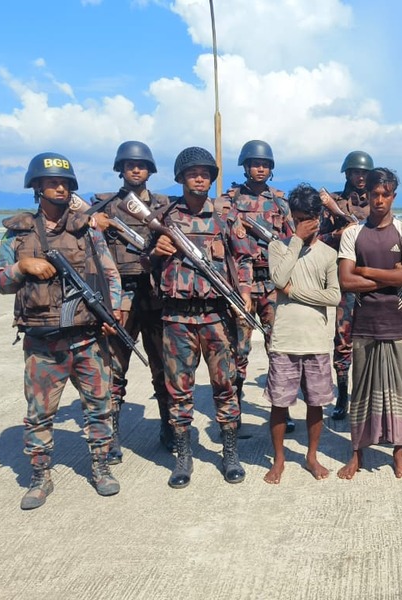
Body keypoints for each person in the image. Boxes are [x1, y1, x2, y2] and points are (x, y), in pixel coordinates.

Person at [0, 152, 122, 509]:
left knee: (99, 406)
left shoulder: (86, 228)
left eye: (65, 182)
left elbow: (110, 274)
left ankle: (101, 467)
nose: (60, 187)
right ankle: (40, 476)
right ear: (37, 187)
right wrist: (23, 266)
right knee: (39, 414)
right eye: (52, 182)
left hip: (87, 337)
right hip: (43, 342)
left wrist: (114, 313)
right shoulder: (17, 235)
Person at [151, 146, 252, 488]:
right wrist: (156, 250)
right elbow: (142, 261)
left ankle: (230, 453)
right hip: (176, 320)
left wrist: (247, 294)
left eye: (206, 174)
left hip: (215, 317)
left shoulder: (225, 216)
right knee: (178, 392)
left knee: (226, 386)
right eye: (193, 173)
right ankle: (183, 457)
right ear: (180, 178)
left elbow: (243, 259)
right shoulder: (164, 218)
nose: (200, 178)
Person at [90, 141, 173, 459]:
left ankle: (169, 428)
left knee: (163, 368)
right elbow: (74, 228)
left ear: (150, 170)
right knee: (113, 369)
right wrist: (92, 223)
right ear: (120, 170)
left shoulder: (165, 205)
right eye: (129, 165)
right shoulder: (104, 206)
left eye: (141, 165)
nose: (136, 169)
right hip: (119, 297)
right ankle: (109, 436)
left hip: (155, 294)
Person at [336, 168, 402, 480]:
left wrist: (367, 272)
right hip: (364, 323)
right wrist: (388, 275)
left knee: (398, 390)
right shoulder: (353, 234)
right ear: (366, 196)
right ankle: (357, 453)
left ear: (393, 196)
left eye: (386, 194)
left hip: (397, 322)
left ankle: (399, 453)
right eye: (375, 194)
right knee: (362, 391)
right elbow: (346, 279)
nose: (380, 200)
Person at [263, 184, 341, 484]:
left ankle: (311, 456)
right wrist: (295, 240)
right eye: (296, 219)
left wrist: (294, 292)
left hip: (316, 340)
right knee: (280, 403)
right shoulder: (279, 247)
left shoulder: (328, 254)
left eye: (307, 218)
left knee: (316, 402)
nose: (302, 224)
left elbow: (333, 296)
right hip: (285, 339)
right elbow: (278, 278)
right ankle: (279, 459)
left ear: (318, 218)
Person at [222, 139, 295, 432]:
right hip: (241, 285)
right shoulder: (229, 201)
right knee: (237, 351)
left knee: (278, 349)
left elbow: (292, 241)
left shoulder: (280, 202)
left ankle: (282, 410)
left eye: (264, 164)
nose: (259, 168)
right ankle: (234, 410)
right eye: (254, 164)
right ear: (245, 166)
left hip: (272, 285)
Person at [318, 150, 373, 420]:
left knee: (374, 339)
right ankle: (342, 394)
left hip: (373, 280)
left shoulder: (378, 201)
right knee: (343, 339)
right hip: (344, 281)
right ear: (347, 174)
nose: (360, 177)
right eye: (355, 172)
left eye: (364, 173)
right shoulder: (334, 203)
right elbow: (317, 239)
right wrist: (336, 235)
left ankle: (369, 395)